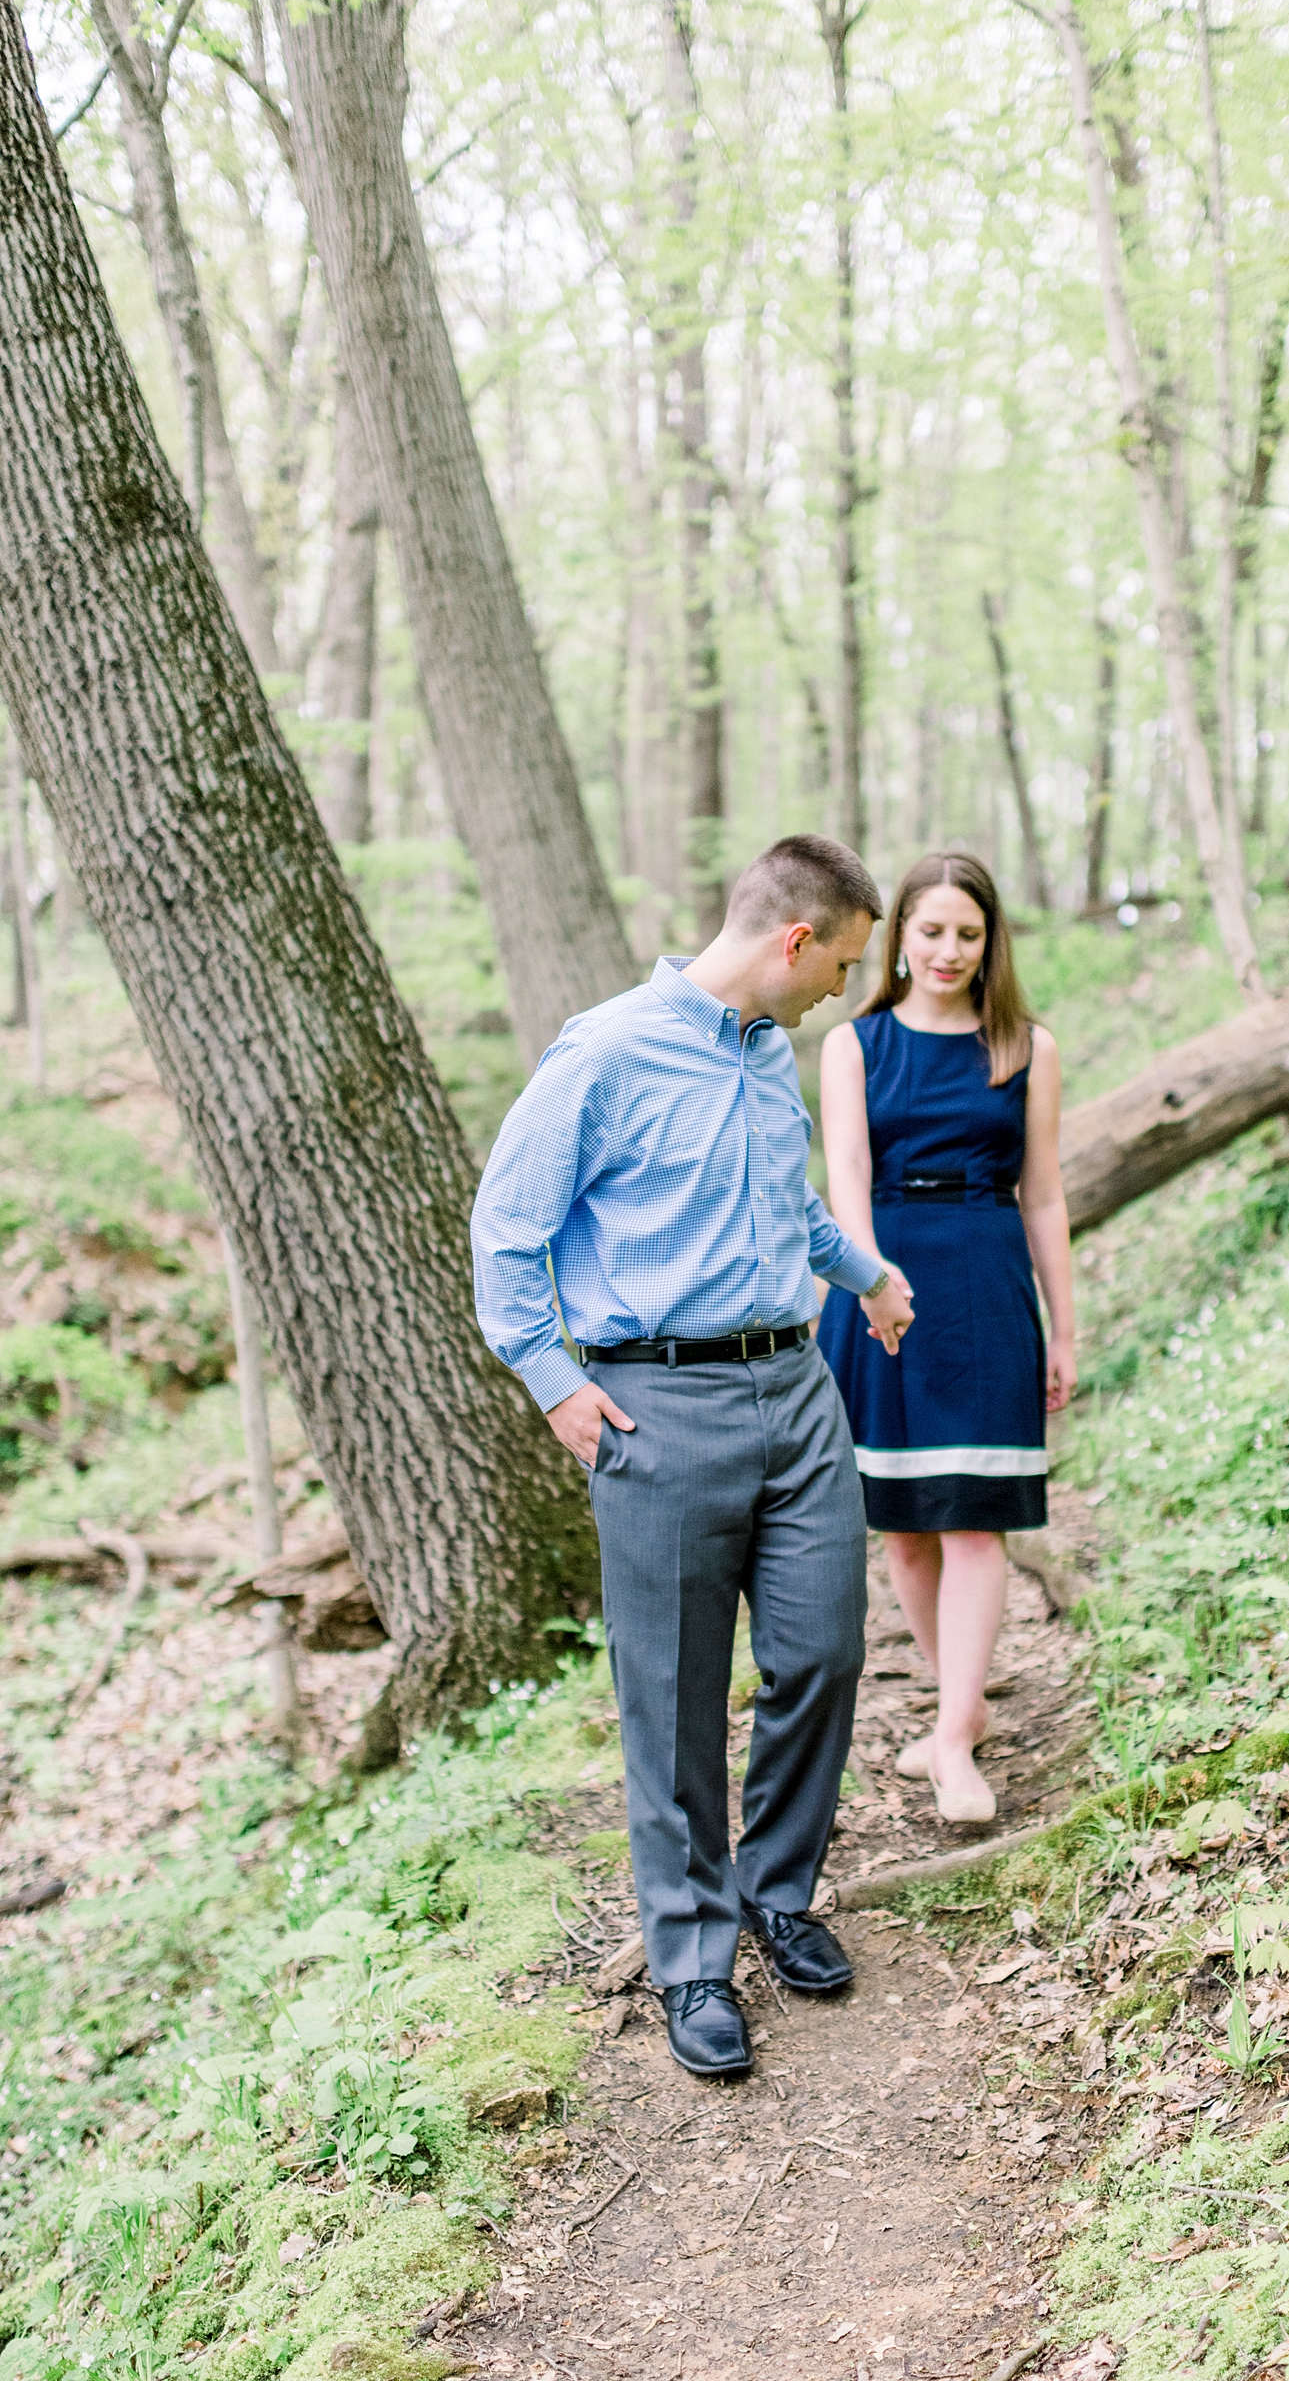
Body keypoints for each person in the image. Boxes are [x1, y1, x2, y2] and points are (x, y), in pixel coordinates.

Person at [471, 836, 915, 2081]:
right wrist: (557, 1384)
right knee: (672, 1700)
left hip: (799, 1389)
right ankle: (693, 1960)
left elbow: (789, 1209)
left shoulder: (774, 1056)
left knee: (825, 1649)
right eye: (842, 958)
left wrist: (864, 1275)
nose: (845, 984)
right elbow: (506, 1232)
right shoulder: (605, 1053)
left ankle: (779, 1892)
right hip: (657, 1411)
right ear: (792, 942)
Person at [817, 850, 1075, 1825]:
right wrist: (873, 1281)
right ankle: (952, 1706)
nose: (948, 950)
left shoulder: (1025, 1047)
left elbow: (1044, 1195)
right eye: (931, 930)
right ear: (900, 938)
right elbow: (846, 1172)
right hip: (883, 1277)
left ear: (989, 941)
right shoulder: (858, 1045)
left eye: (968, 933)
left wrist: (1065, 1328)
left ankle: (957, 1738)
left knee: (976, 1517)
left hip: (986, 1274)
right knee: (910, 1526)